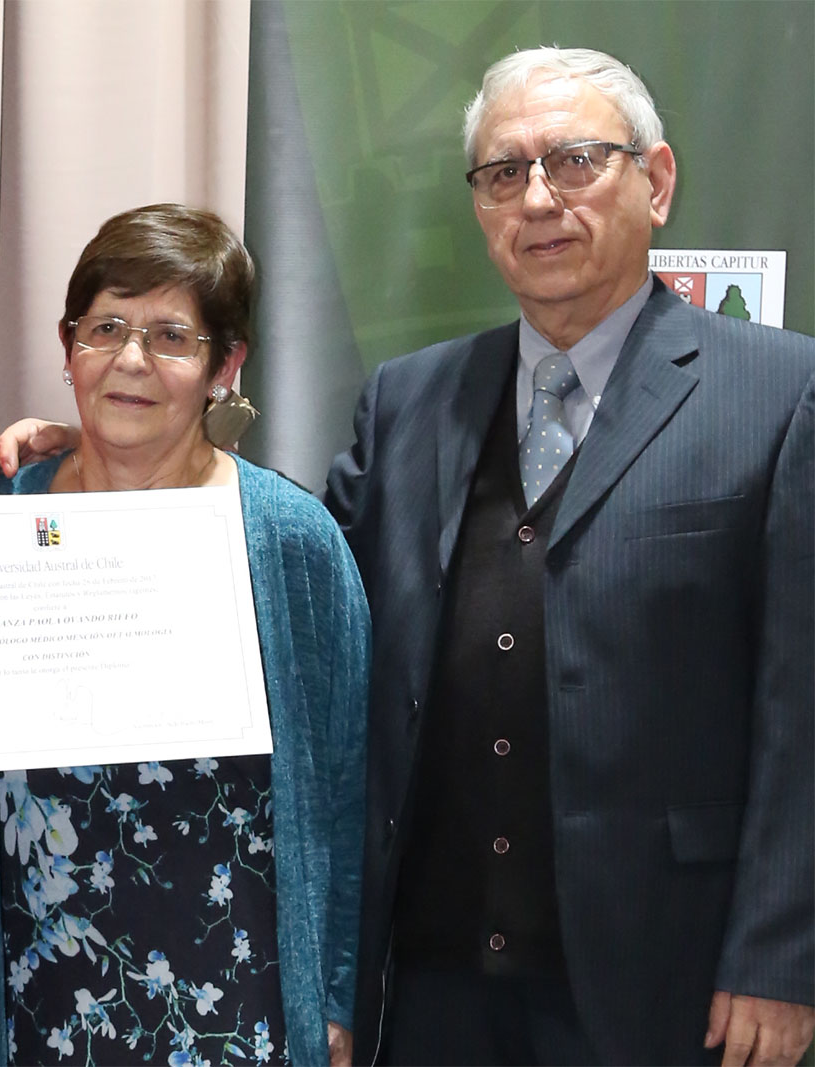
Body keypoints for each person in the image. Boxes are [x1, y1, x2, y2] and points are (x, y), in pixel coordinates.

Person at [322, 47, 814, 1066]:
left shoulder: (780, 393)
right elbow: (306, 601)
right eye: (504, 172)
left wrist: (780, 956)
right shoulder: (408, 401)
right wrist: (117, 470)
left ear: (657, 182)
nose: (538, 199)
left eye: (576, 160)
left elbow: (803, 704)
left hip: (665, 981)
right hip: (433, 984)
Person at [0, 204, 369, 1067]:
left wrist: (334, 996)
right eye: (106, 327)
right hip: (38, 995)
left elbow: (346, 780)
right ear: (68, 346)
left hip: (237, 1000)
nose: (131, 360)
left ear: (226, 366)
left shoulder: (290, 541)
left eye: (172, 337)